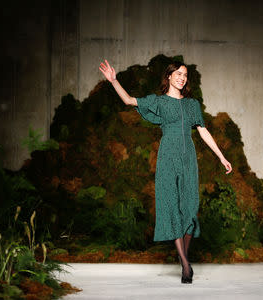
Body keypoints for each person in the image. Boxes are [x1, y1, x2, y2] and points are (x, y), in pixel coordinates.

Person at [99, 59, 232, 284]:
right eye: (178, 73)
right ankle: (185, 264)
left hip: (188, 158)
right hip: (167, 158)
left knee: (189, 209)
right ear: (169, 76)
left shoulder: (192, 105)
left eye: (185, 75)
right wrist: (114, 81)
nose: (182, 77)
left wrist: (221, 156)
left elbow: (203, 131)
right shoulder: (158, 102)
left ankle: (184, 260)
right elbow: (129, 100)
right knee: (171, 207)